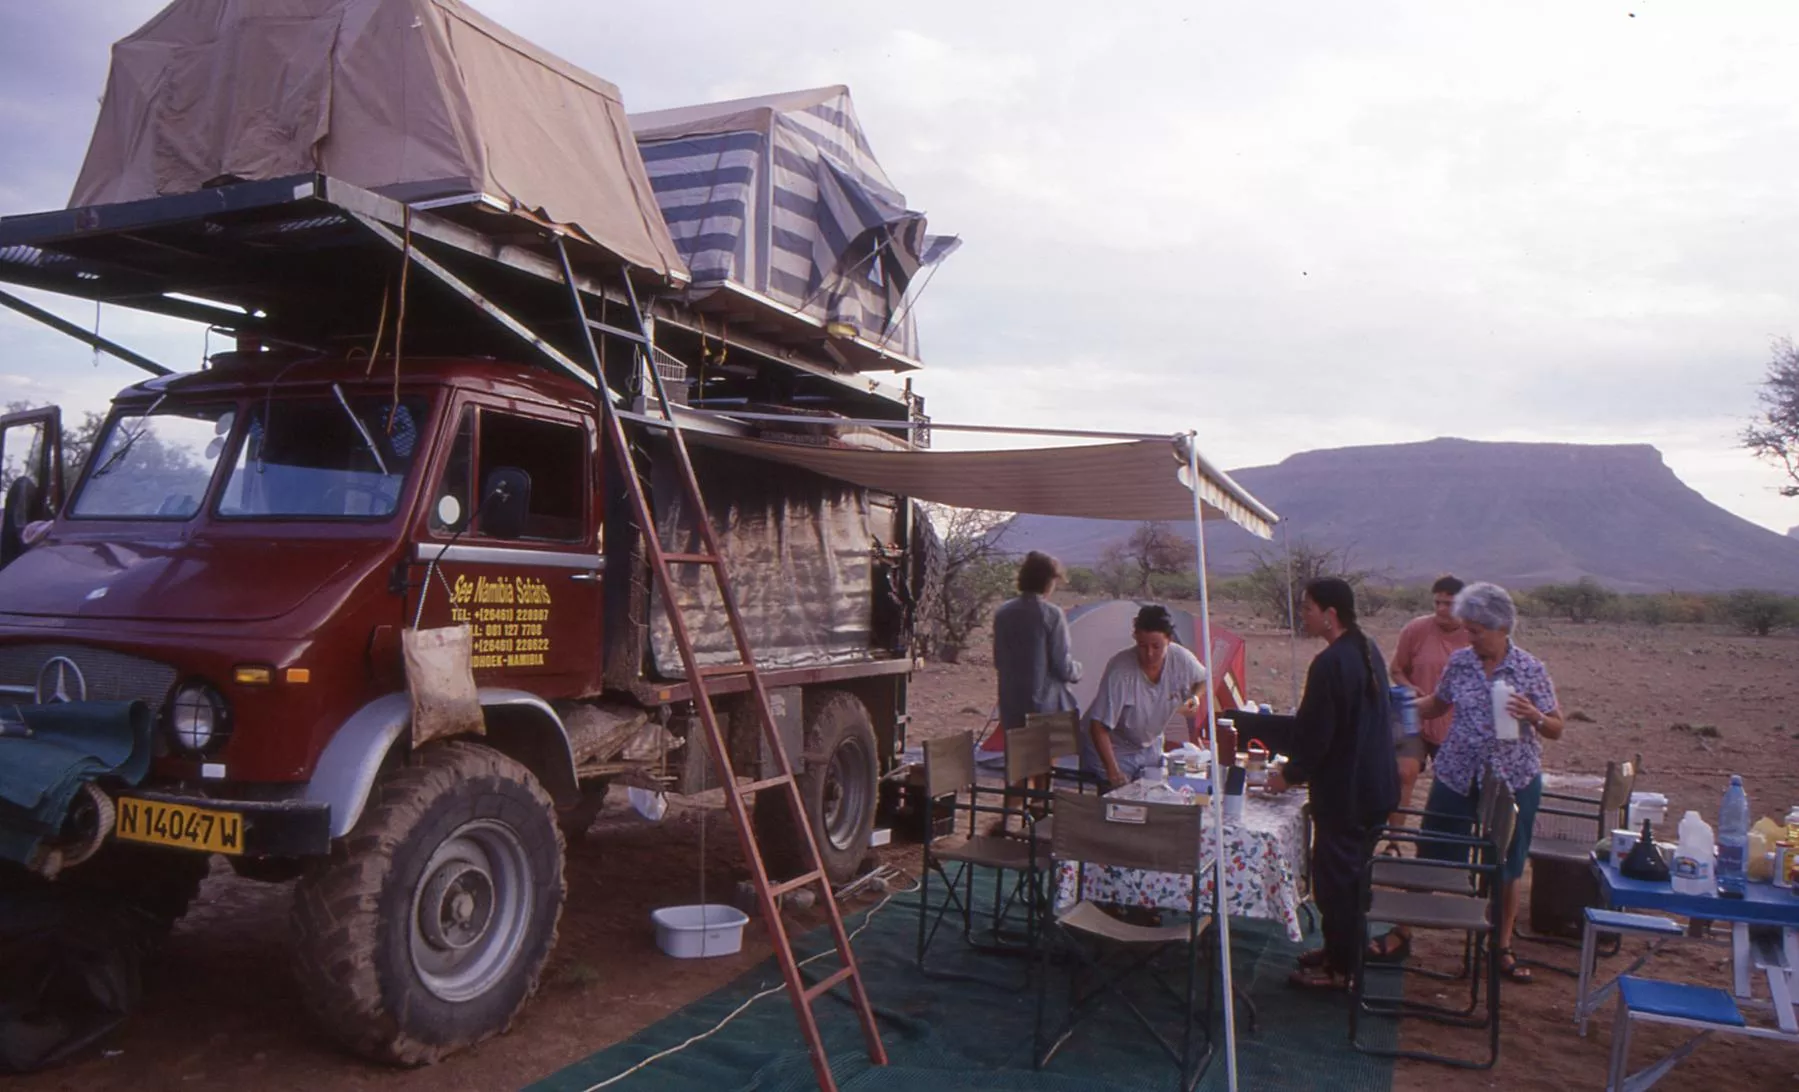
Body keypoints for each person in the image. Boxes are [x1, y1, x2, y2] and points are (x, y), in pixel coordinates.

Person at [1375, 581, 1564, 983]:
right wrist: (1398, 708)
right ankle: (1403, 930)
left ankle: (1501, 945)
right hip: (1457, 771)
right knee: (1433, 850)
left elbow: (1556, 727)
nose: (1470, 637)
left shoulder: (1530, 669)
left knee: (1508, 863)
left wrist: (1533, 715)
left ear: (1501, 628)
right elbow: (1438, 703)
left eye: (1476, 631)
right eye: (1469, 629)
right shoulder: (1461, 662)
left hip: (1514, 777)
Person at [1266, 577, 1399, 991]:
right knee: (1347, 879)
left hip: (1349, 795)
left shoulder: (1331, 663)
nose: (1302, 615)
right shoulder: (1365, 648)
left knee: (1337, 884)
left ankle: (1342, 971)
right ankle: (1338, 951)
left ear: (1330, 614)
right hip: (1373, 787)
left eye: (1307, 608)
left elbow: (1316, 735)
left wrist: (1289, 775)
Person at [1384, 575, 1470, 845]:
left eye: (1449, 604)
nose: (1442, 609)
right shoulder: (1416, 629)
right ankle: (1394, 840)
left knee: (1450, 785)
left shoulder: (1474, 635)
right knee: (1404, 773)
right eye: (1438, 603)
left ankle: (1442, 844)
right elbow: (1397, 669)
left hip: (1455, 723)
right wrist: (1410, 688)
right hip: (1414, 716)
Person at [1081, 604, 1207, 789]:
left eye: (1156, 646)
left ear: (1169, 640)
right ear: (1135, 638)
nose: (1149, 654)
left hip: (1149, 745)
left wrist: (1195, 697)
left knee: (1157, 793)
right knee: (1121, 800)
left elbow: (1203, 679)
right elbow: (1098, 726)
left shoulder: (1181, 658)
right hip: (1114, 749)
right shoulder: (1121, 671)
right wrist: (1113, 771)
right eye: (1142, 646)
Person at [992, 551, 1082, 731]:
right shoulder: (1051, 614)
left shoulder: (1003, 612)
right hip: (1045, 709)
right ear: (1048, 581)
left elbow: (999, 660)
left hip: (1011, 706)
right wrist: (1078, 670)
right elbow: (1062, 666)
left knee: (1017, 748)